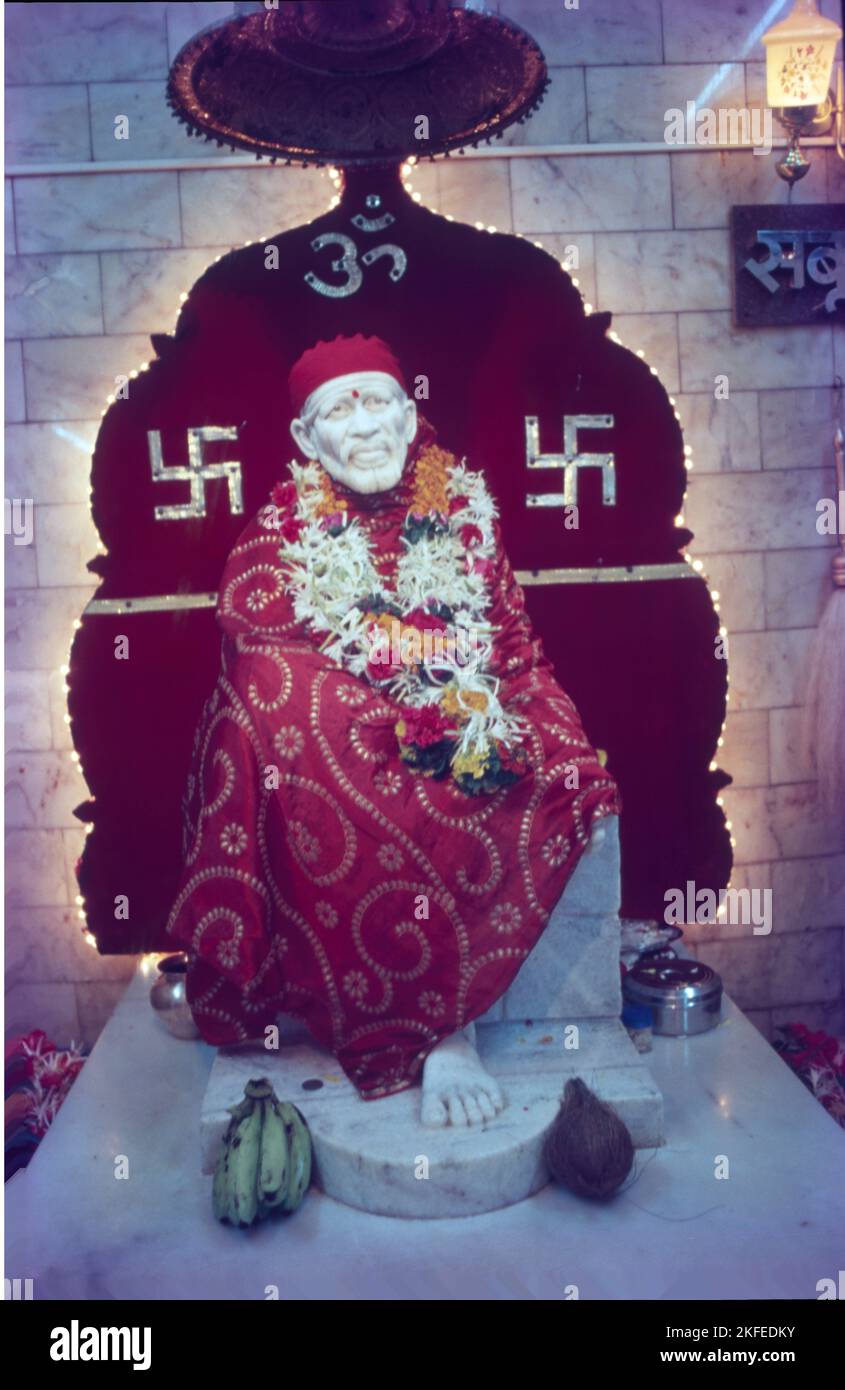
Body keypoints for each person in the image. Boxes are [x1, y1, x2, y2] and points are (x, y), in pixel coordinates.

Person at [166, 334, 621, 1127]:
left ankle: (454, 1025)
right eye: (341, 410)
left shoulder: (463, 511)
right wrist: (398, 702)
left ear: (410, 418)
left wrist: (501, 705)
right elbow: (258, 644)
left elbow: (511, 641)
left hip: (460, 703)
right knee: (266, 697)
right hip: (347, 738)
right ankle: (433, 1036)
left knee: (554, 749)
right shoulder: (280, 532)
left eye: (379, 403)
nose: (367, 424)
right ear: (307, 440)